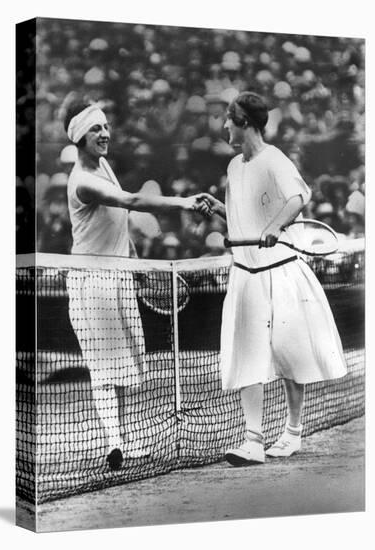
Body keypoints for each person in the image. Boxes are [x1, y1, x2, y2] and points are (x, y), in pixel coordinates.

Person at [63, 101, 211, 471]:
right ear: (80, 136)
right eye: (97, 129)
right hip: (91, 282)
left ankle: (123, 443)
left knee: (124, 367)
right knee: (102, 368)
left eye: (107, 127)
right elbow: (130, 199)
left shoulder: (104, 164)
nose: (105, 134)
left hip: (119, 276)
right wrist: (184, 202)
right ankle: (114, 443)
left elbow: (119, 217)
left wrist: (134, 261)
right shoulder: (82, 180)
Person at [205, 92, 347, 465]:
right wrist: (219, 210)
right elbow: (243, 220)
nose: (224, 127)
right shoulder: (235, 167)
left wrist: (274, 226)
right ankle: (253, 440)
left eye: (228, 120)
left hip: (281, 272)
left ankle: (293, 433)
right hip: (246, 276)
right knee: (246, 355)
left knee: (290, 354)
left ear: (245, 124)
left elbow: (300, 195)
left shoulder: (275, 159)